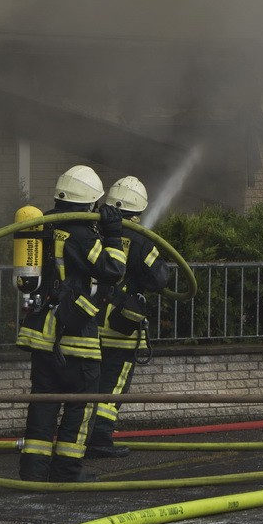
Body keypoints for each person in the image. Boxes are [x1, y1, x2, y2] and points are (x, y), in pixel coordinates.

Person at [16, 165, 127, 482]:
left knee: (43, 406)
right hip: (75, 336)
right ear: (91, 202)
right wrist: (113, 234)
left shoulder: (42, 227)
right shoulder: (81, 235)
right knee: (80, 407)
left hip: (41, 335)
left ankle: (33, 473)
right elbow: (112, 269)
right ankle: (66, 473)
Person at [86, 176, 170, 459]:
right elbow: (160, 277)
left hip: (87, 324)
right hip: (120, 329)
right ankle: (100, 440)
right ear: (139, 209)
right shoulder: (140, 240)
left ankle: (79, 437)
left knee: (89, 385)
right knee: (113, 387)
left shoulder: (93, 231)